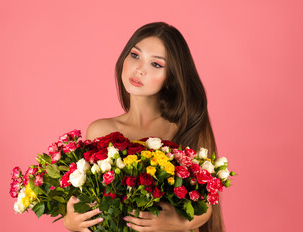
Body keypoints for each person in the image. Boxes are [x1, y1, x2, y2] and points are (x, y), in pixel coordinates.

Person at [62, 22, 225, 232]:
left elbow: (207, 204)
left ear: (171, 78)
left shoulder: (185, 127)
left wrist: (178, 223)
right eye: (135, 55)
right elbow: (85, 205)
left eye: (156, 64)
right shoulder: (99, 131)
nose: (139, 69)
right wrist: (70, 222)